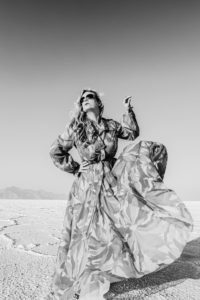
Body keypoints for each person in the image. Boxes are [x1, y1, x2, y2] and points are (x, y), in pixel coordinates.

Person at [48, 89, 193, 300]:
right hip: (87, 187)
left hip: (111, 181)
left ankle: (106, 271)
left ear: (98, 102)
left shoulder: (111, 125)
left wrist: (128, 110)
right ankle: (81, 280)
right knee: (85, 233)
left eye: (90, 96)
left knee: (112, 229)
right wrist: (75, 168)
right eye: (83, 98)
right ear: (81, 104)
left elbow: (132, 133)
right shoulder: (76, 127)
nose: (86, 99)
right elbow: (56, 151)